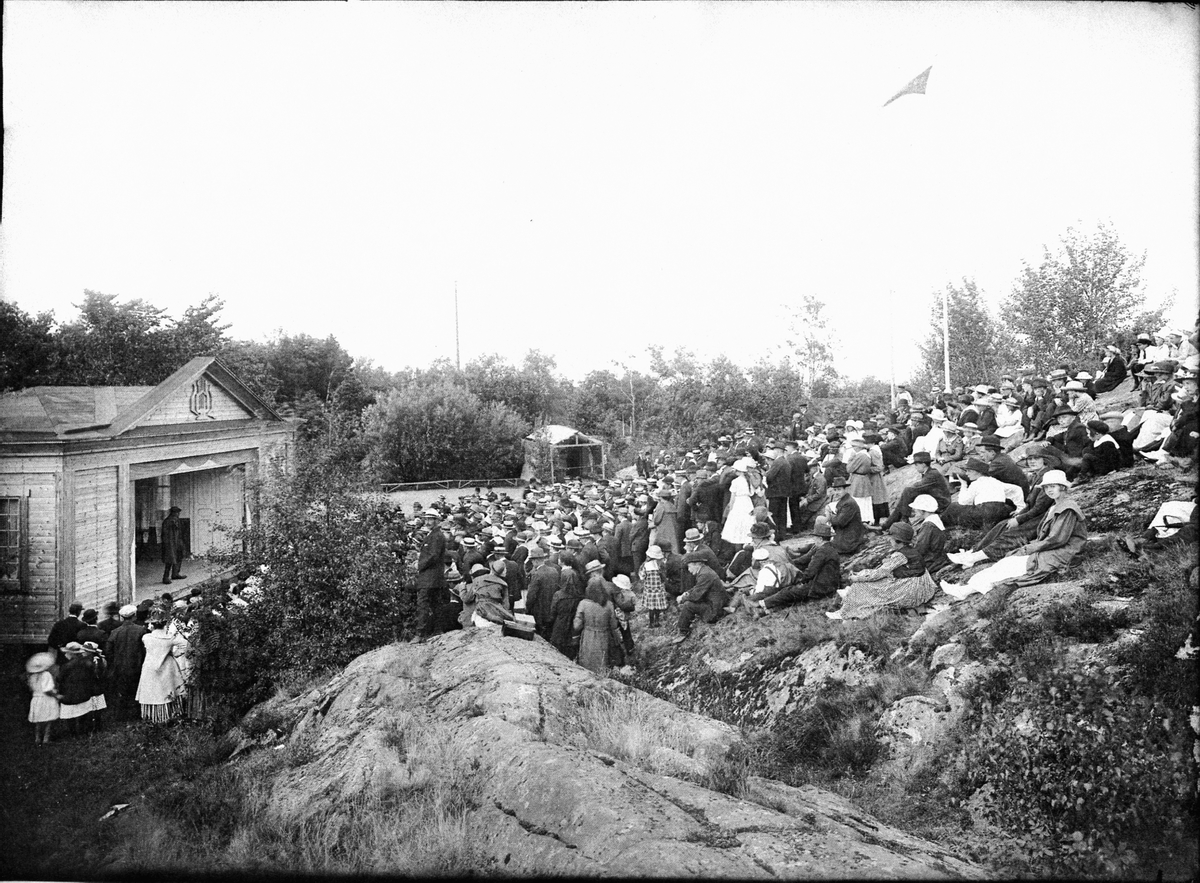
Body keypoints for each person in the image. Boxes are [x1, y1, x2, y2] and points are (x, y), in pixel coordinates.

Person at [942, 470, 1088, 599]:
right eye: (1046, 487)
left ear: (1062, 487)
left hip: (1064, 552)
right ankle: (964, 590)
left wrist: (1028, 549)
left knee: (1013, 566)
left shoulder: (1067, 508)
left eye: (1053, 486)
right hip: (1053, 549)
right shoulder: (1056, 505)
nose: (1049, 490)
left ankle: (964, 591)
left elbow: (1057, 539)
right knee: (1007, 562)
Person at [827, 522, 938, 620]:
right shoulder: (911, 550)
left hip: (911, 592)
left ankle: (845, 613)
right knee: (874, 577)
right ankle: (850, 596)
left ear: (898, 541)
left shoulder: (900, 555)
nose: (889, 540)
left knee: (861, 585)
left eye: (891, 539)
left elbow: (879, 573)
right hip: (923, 586)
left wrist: (857, 578)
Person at [758, 518, 841, 613]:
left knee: (788, 591)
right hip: (829, 585)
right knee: (792, 593)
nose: (814, 540)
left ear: (820, 539)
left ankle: (762, 603)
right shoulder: (829, 548)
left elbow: (810, 572)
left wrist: (799, 580)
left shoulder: (822, 551)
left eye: (815, 538)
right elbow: (805, 561)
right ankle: (769, 609)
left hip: (820, 587)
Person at [940, 458, 1024, 530]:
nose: (967, 473)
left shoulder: (976, 483)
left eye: (969, 471)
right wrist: (1020, 508)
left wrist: (963, 484)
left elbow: (963, 502)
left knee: (953, 507)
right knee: (1007, 508)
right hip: (1000, 512)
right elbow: (1017, 489)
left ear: (978, 472)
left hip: (984, 513)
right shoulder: (995, 481)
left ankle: (942, 526)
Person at [135, 609, 188, 722]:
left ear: (152, 624)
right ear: (165, 623)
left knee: (152, 689)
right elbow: (185, 645)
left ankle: (152, 717)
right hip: (167, 665)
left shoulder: (146, 637)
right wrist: (174, 654)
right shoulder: (170, 637)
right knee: (168, 688)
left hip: (150, 666)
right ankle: (170, 715)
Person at [879, 452, 952, 532]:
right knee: (905, 497)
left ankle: (901, 520)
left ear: (923, 464)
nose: (915, 467)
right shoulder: (929, 473)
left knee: (907, 492)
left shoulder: (932, 474)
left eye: (916, 465)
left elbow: (914, 488)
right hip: (937, 500)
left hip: (942, 504)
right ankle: (889, 524)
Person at [673, 551, 729, 644]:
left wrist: (682, 598)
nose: (689, 570)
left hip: (714, 611)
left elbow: (696, 596)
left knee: (687, 605)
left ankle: (683, 632)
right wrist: (687, 593)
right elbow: (697, 588)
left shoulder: (705, 574)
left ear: (696, 564)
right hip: (714, 605)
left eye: (689, 566)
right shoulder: (705, 571)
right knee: (689, 602)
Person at [572, 580, 623, 675]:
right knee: (602, 661)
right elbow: (614, 625)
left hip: (588, 636)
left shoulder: (583, 604)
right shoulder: (609, 604)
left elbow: (577, 625)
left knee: (587, 660)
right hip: (604, 636)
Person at [414, 510, 448, 639]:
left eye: (431, 519)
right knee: (435, 604)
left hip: (430, 577)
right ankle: (437, 630)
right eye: (426, 519)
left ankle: (420, 633)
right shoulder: (434, 534)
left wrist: (419, 565)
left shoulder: (436, 536)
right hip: (434, 577)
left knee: (423, 604)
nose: (427, 522)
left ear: (437, 520)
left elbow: (433, 555)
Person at [548, 561, 586, 660]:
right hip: (573, 628)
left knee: (557, 653)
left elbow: (553, 613)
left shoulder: (558, 595)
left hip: (559, 626)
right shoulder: (580, 595)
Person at [720, 458, 758, 547]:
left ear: (738, 471)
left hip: (738, 502)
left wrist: (730, 508)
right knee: (747, 521)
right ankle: (747, 541)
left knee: (736, 522)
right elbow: (752, 493)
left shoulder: (735, 481)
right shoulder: (748, 480)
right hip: (747, 502)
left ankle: (738, 543)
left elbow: (732, 498)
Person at [523, 546, 558, 640]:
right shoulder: (554, 571)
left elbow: (531, 595)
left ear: (535, 561)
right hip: (551, 608)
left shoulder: (537, 574)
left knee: (539, 636)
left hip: (539, 610)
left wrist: (527, 609)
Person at [827, 476, 868, 556]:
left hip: (849, 541)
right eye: (835, 490)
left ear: (845, 489)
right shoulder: (844, 501)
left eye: (839, 489)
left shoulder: (848, 503)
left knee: (822, 549)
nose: (836, 493)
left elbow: (839, 522)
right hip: (845, 536)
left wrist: (829, 515)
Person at [26, 651, 60, 745]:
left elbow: (31, 688)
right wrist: (56, 695)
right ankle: (46, 738)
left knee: (38, 720)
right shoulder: (46, 675)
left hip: (36, 699)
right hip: (46, 699)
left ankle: (37, 738)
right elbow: (47, 690)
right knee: (48, 719)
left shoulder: (32, 676)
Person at [637, 545, 669, 627]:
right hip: (659, 589)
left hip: (649, 590)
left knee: (651, 608)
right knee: (657, 607)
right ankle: (657, 621)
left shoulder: (645, 565)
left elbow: (642, 576)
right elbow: (664, 576)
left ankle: (651, 623)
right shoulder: (661, 564)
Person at [161, 505, 187, 584]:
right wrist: (167, 543)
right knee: (170, 560)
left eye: (178, 513)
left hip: (177, 542)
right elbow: (164, 534)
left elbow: (180, 532)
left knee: (179, 557)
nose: (178, 514)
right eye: (177, 513)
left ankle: (175, 574)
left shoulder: (177, 520)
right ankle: (165, 577)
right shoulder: (167, 521)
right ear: (173, 513)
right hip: (170, 543)